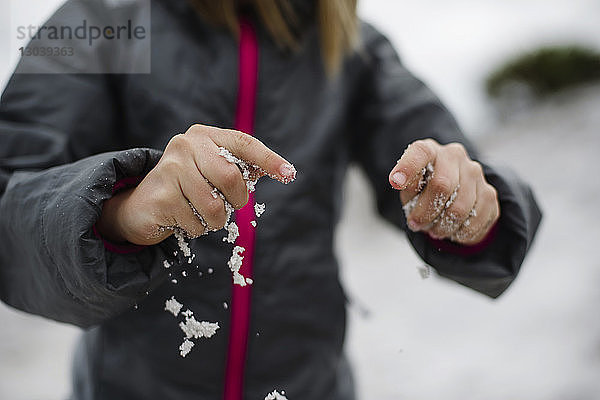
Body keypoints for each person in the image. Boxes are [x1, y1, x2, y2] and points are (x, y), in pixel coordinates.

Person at [0, 0, 541, 399]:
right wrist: (121, 214)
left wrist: (471, 208)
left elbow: (460, 172)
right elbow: (10, 205)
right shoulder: (94, 19)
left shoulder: (354, 47)